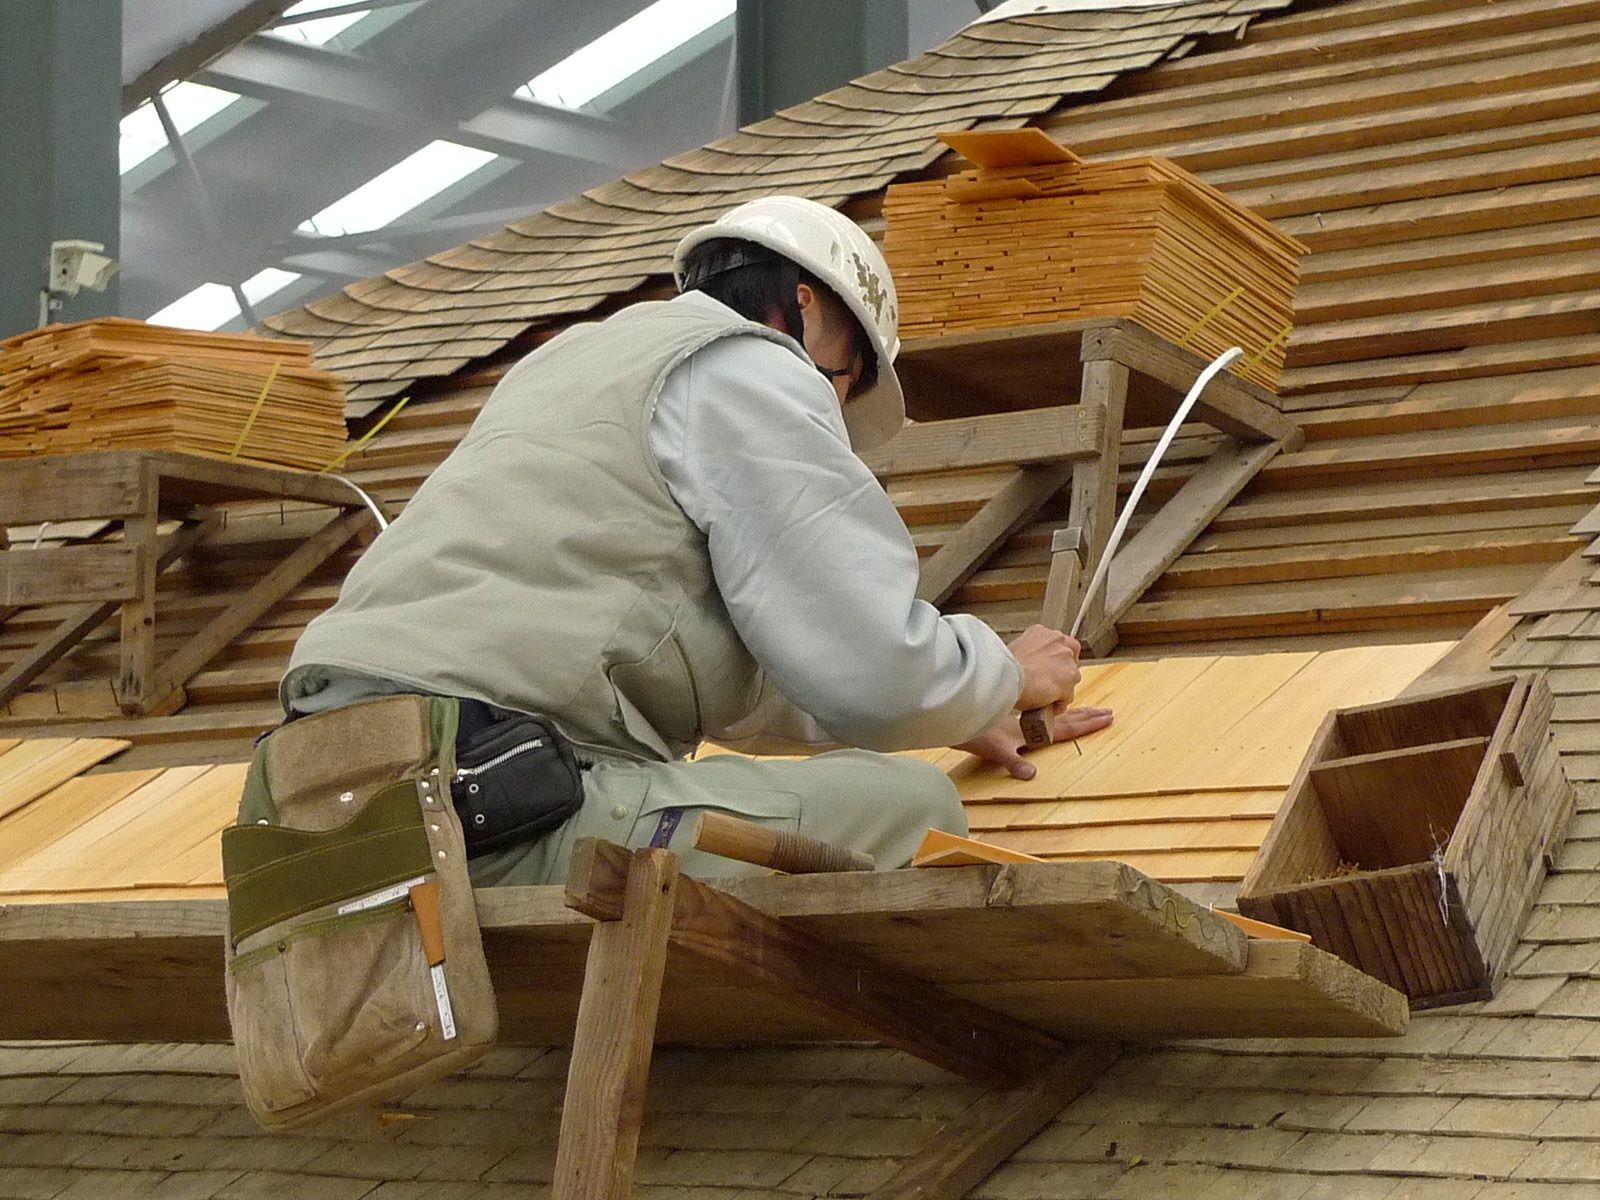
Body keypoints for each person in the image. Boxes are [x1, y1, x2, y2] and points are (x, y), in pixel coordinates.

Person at [278, 194, 1113, 882]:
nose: (828, 405)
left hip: (315, 801)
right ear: (807, 305)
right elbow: (868, 667)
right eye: (841, 382)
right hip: (487, 807)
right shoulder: (750, 365)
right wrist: (1000, 674)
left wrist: (946, 709)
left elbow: (748, 675)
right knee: (912, 808)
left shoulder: (574, 364)